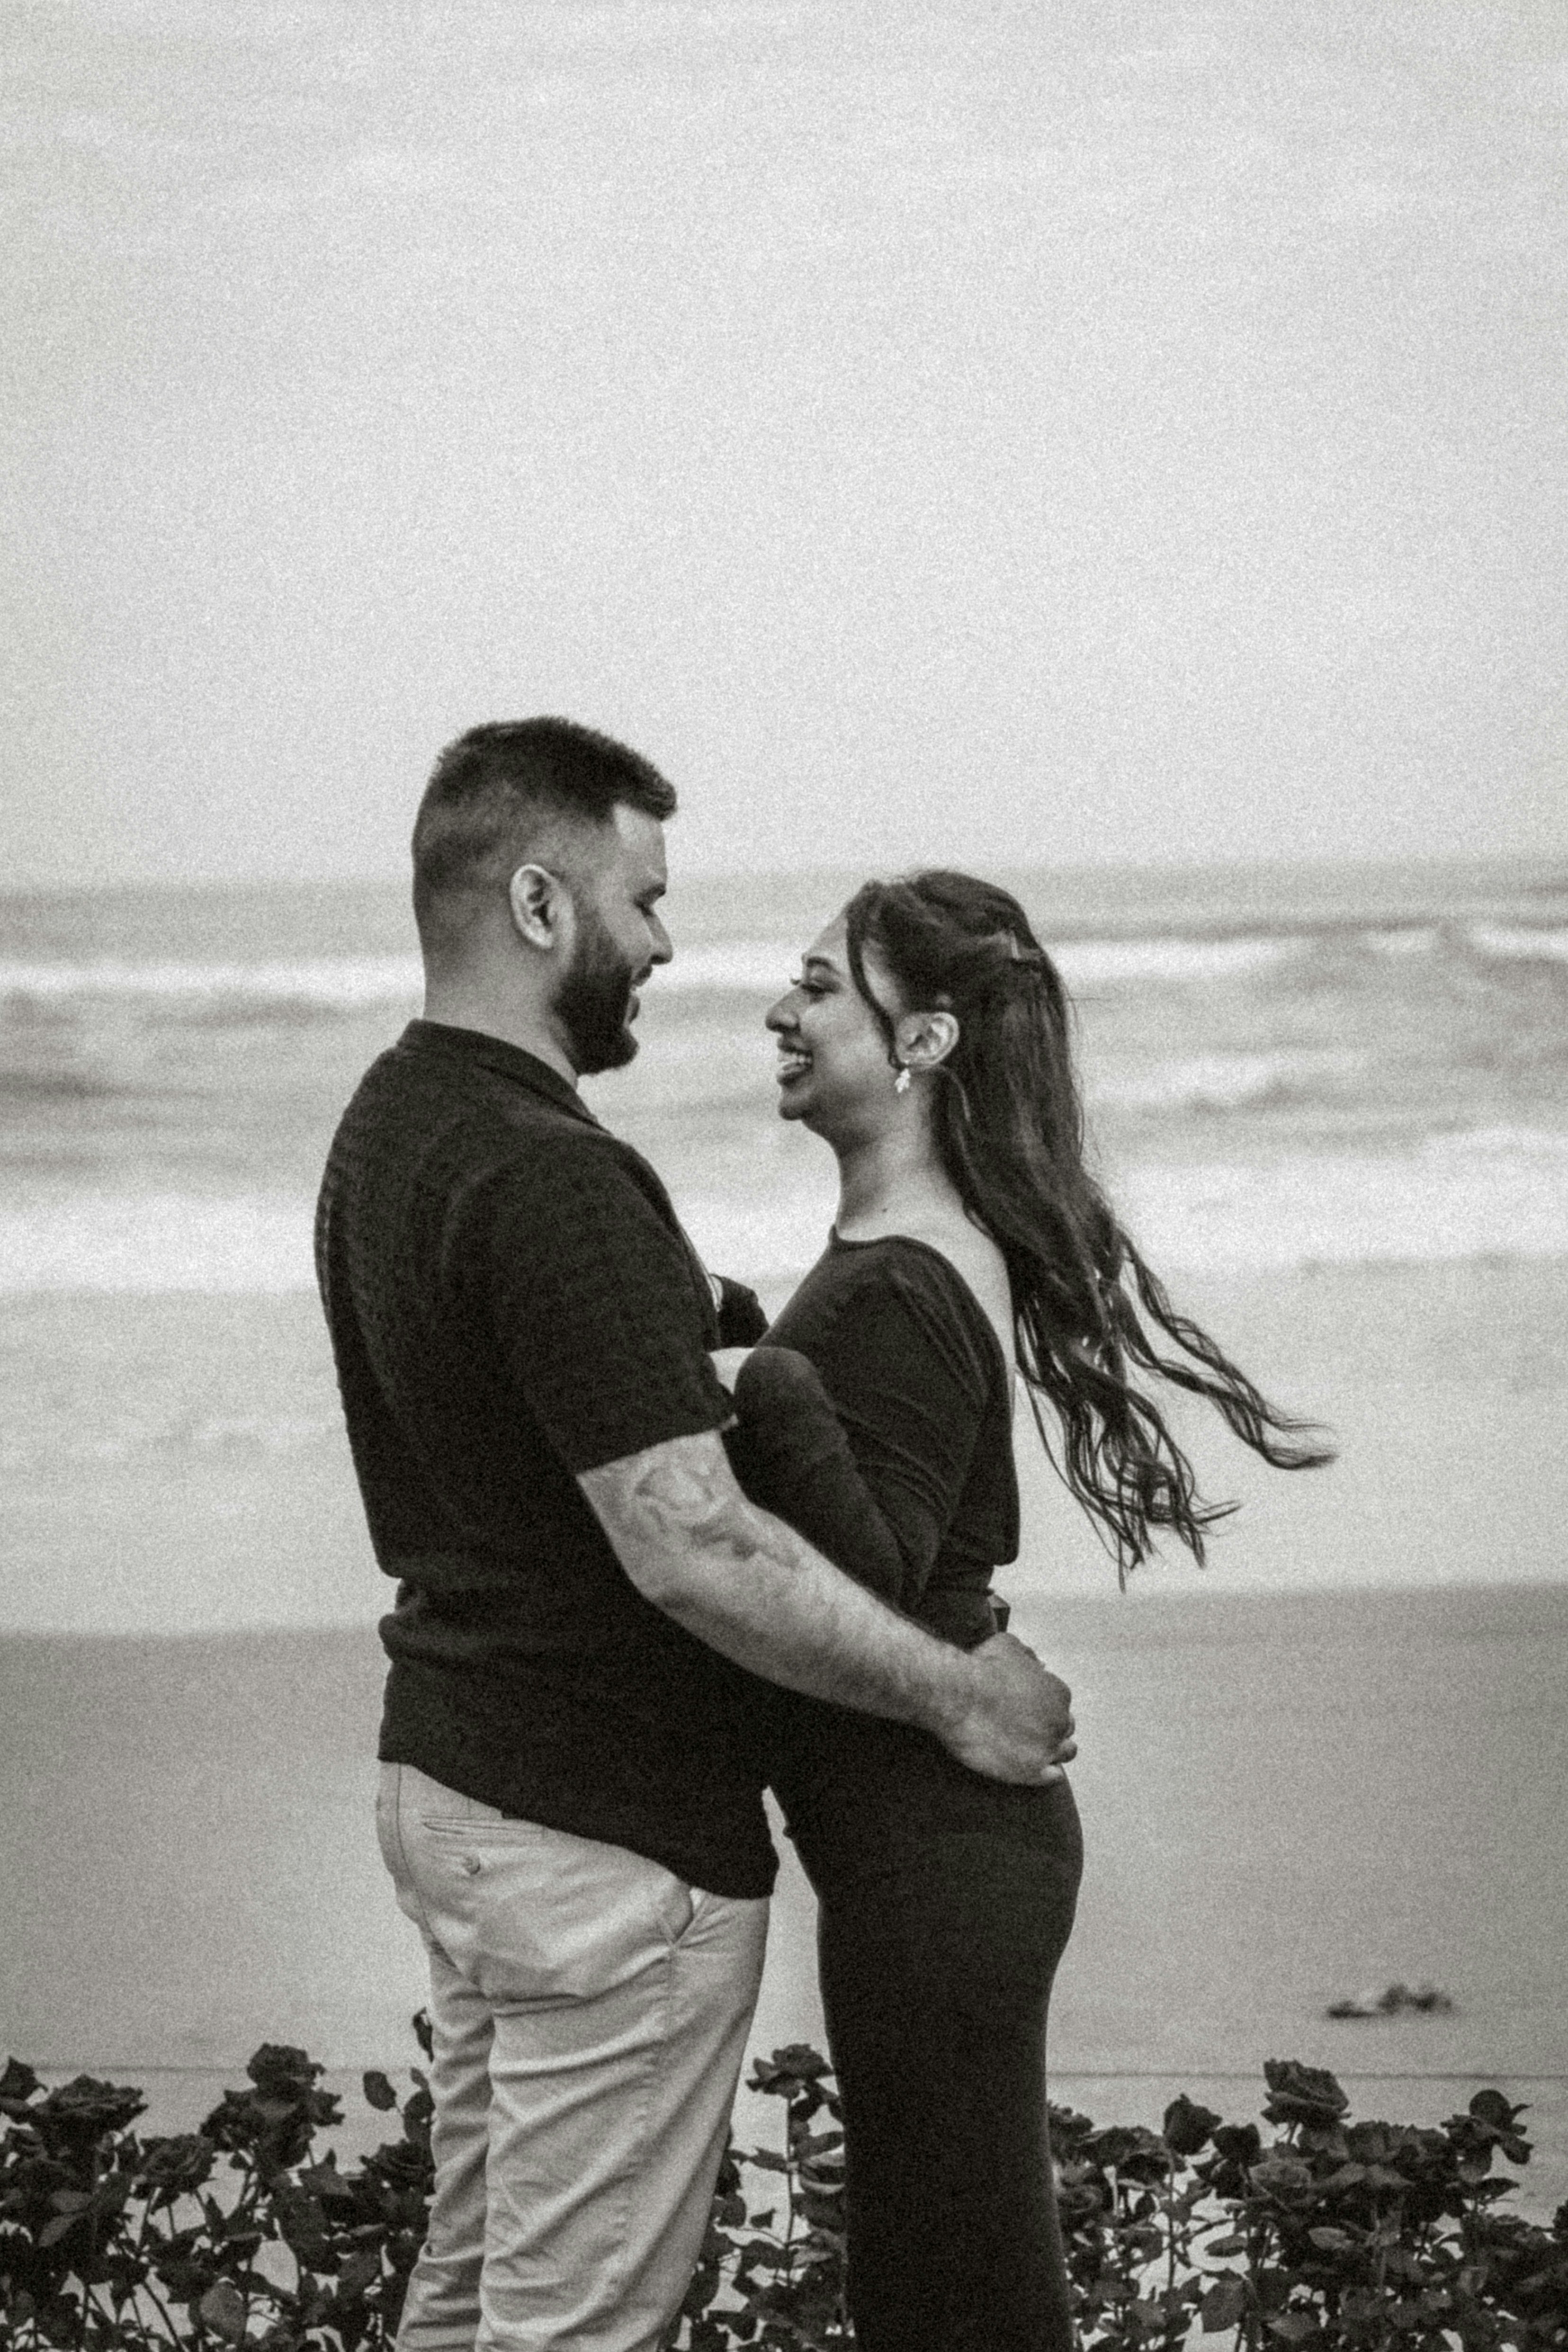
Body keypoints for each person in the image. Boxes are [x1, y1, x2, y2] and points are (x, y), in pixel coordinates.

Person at [314, 722, 1077, 2352]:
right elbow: (696, 1548)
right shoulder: (554, 1176)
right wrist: (961, 1692)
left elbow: (559, 1372)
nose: (666, 945)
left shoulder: (390, 1125)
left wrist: (716, 1330)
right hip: (598, 1834)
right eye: (644, 899)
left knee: (469, 2294)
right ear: (541, 904)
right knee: (573, 2329)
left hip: (458, 1779)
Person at [717, 870, 1331, 2352]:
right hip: (925, 1844)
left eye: (820, 987)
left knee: (961, 2291)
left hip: (940, 1850)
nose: (781, 1011)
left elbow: (874, 1582)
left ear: (923, 1042)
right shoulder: (894, 1262)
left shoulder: (905, 1280)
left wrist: (762, 1380)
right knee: (930, 2282)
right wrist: (739, 1336)